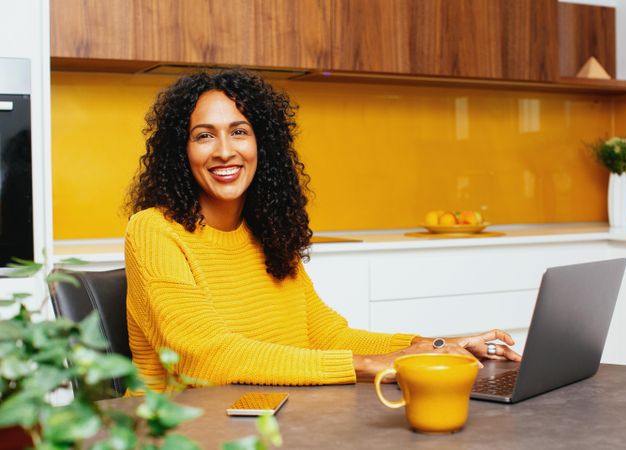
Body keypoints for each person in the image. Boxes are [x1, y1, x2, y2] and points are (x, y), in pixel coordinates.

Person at [125, 69, 520, 392]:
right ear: (182, 151)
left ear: (264, 145)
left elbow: (326, 334)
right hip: (172, 431)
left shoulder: (268, 232)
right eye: (204, 135)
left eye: (240, 131)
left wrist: (431, 347)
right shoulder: (154, 231)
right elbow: (207, 359)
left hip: (260, 421)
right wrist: (372, 364)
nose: (224, 150)